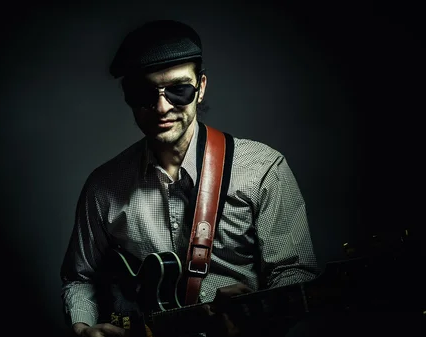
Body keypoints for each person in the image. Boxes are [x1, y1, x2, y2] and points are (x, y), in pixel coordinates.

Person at [60, 19, 319, 337]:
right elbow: (80, 277)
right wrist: (83, 328)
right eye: (145, 93)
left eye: (178, 90)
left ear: (201, 87)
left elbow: (294, 273)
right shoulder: (103, 186)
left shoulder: (264, 169)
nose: (161, 107)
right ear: (128, 97)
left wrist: (257, 317)